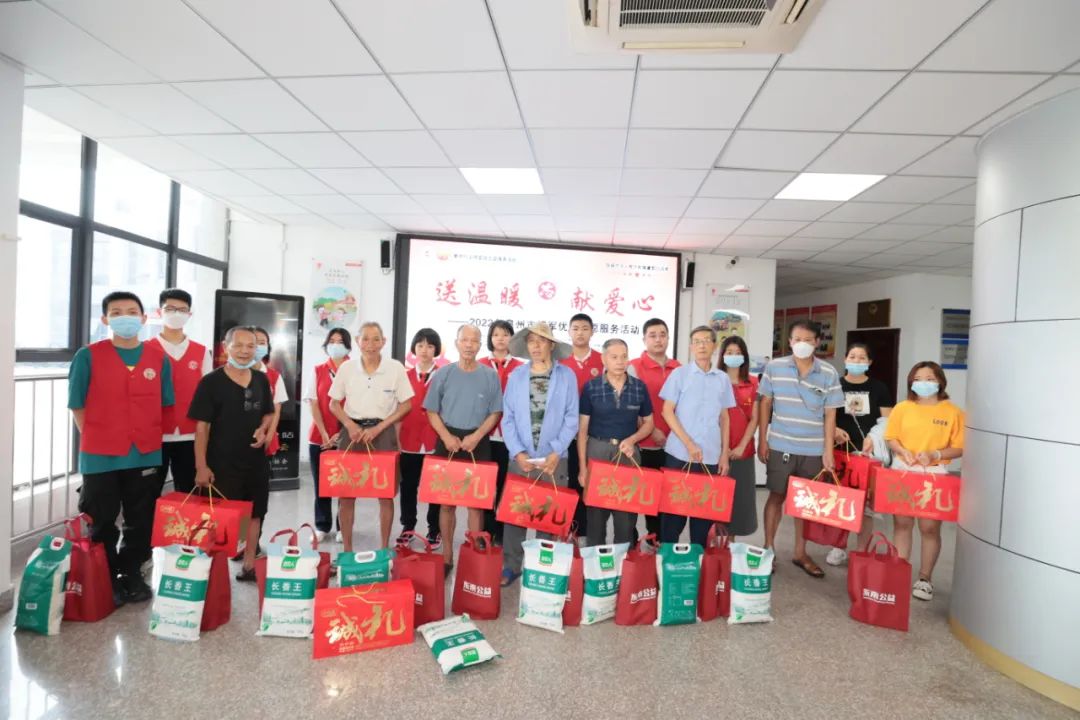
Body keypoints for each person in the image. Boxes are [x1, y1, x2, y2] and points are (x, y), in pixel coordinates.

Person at [69, 291, 174, 604]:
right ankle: (105, 576)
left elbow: (164, 403)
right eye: (116, 312)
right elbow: (77, 404)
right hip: (99, 455)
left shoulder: (157, 358)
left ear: (144, 318)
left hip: (144, 452)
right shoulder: (88, 356)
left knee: (140, 518)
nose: (124, 317)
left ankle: (131, 573)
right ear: (105, 319)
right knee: (101, 519)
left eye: (131, 311)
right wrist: (97, 437)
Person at [758, 321, 845, 578]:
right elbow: (765, 404)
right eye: (797, 339)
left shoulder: (828, 372)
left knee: (805, 503)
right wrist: (762, 440)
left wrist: (827, 451)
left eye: (808, 340)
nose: (802, 344)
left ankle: (800, 552)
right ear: (790, 342)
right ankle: (768, 548)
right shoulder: (774, 368)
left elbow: (830, 415)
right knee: (776, 497)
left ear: (817, 342)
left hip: (813, 450)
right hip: (781, 445)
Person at [189, 326, 275, 581]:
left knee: (255, 512)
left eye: (250, 346)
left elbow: (268, 413)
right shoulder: (211, 382)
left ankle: (249, 564)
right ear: (226, 348)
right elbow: (202, 428)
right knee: (220, 517)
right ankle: (213, 573)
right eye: (238, 345)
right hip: (221, 463)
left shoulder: (261, 379)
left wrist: (263, 429)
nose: (244, 351)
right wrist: (201, 466)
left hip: (255, 461)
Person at [500, 322, 578, 586]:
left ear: (551, 345)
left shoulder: (566, 376)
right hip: (521, 457)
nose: (535, 345)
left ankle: (542, 566)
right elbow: (508, 418)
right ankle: (511, 565)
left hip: (554, 459)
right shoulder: (516, 376)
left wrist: (556, 451)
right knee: (515, 514)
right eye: (531, 340)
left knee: (548, 515)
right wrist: (518, 452)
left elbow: (571, 418)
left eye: (541, 340)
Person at [328, 322, 413, 551]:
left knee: (385, 495)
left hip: (382, 433)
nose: (370, 344)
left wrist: (380, 427)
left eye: (376, 339)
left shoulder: (395, 368)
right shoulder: (347, 368)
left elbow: (407, 404)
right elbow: (333, 403)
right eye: (365, 339)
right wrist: (349, 425)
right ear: (358, 342)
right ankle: (347, 551)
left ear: (383, 342)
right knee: (346, 495)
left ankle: (384, 550)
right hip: (352, 434)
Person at [424, 325, 503, 569]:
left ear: (480, 345)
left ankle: (474, 556)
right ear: (457, 343)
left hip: (477, 442)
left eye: (474, 341)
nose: (469, 345)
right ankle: (447, 555)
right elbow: (431, 410)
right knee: (446, 503)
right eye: (464, 340)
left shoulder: (490, 375)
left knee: (476, 504)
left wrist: (477, 436)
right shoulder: (443, 373)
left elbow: (495, 412)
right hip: (448, 439)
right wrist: (446, 436)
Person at [884, 361, 964, 602]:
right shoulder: (902, 408)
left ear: (940, 381)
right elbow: (891, 437)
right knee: (902, 524)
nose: (924, 383)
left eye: (930, 379)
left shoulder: (953, 412)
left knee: (929, 528)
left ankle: (925, 578)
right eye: (918, 379)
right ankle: (899, 571)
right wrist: (902, 451)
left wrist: (935, 454)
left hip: (934, 475)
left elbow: (959, 447)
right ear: (911, 382)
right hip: (903, 471)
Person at [658, 326, 735, 547]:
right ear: (691, 347)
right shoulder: (679, 374)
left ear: (714, 346)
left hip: (710, 455)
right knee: (674, 513)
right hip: (679, 454)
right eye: (697, 341)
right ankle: (668, 558)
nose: (702, 345)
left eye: (706, 341)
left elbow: (725, 418)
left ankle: (698, 558)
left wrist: (724, 454)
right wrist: (689, 443)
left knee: (703, 514)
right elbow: (666, 411)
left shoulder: (722, 379)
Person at [578, 338, 654, 547]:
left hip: (628, 453)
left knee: (626, 515)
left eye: (624, 357)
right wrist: (583, 469)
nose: (620, 361)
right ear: (603, 359)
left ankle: (623, 558)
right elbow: (582, 430)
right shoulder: (591, 387)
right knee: (595, 514)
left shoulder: (639, 387)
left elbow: (649, 423)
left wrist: (632, 439)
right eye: (614, 357)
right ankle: (595, 560)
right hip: (598, 451)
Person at [825, 342, 894, 567]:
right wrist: (834, 430)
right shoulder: (834, 385)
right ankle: (838, 546)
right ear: (845, 359)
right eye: (852, 357)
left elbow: (888, 421)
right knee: (841, 502)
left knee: (865, 507)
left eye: (862, 357)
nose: (857, 361)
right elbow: (825, 415)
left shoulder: (879, 388)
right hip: (840, 453)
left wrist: (874, 438)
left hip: (867, 455)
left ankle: (861, 551)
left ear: (870, 362)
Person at [150, 288, 212, 497]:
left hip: (191, 435)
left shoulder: (201, 351)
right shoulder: (146, 349)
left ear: (189, 314)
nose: (176, 314)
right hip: (153, 434)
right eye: (170, 309)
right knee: (146, 495)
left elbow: (208, 396)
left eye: (182, 310)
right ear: (159, 312)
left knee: (189, 495)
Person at [628, 318, 680, 541]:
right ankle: (630, 542)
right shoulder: (633, 366)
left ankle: (655, 540)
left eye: (662, 335)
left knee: (663, 498)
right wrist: (651, 429)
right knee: (636, 497)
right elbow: (631, 406)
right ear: (644, 339)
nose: (658, 339)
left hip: (672, 445)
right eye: (653, 335)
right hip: (642, 444)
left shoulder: (679, 368)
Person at [304, 328, 352, 543]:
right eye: (332, 341)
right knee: (321, 484)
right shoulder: (318, 370)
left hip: (347, 437)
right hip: (319, 437)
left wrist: (341, 434)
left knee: (345, 485)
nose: (335, 345)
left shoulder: (355, 370)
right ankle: (322, 525)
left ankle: (343, 525)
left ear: (348, 346)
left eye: (340, 341)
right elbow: (313, 403)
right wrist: (324, 434)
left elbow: (357, 406)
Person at [397, 328, 444, 548]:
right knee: (408, 487)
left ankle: (434, 530)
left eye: (430, 346)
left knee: (435, 488)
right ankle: (407, 527)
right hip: (409, 441)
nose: (424, 350)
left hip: (435, 440)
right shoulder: (404, 376)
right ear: (414, 348)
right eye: (420, 345)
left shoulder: (444, 375)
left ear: (436, 349)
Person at [479, 319, 524, 544]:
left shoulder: (522, 367)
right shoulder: (479, 364)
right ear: (490, 338)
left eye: (505, 334)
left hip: (511, 437)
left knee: (507, 485)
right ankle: (486, 530)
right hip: (484, 434)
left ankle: (503, 532)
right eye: (496, 334)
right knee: (485, 485)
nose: (500, 339)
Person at [560, 313, 603, 536]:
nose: (580, 333)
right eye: (575, 328)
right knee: (569, 481)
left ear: (592, 332)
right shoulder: (560, 361)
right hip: (565, 434)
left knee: (590, 483)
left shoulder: (603, 360)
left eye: (585, 328)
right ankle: (568, 530)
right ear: (568, 331)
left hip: (594, 434)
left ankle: (586, 534)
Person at [719, 335, 759, 538]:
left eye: (738, 352)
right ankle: (714, 546)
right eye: (729, 352)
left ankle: (730, 544)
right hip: (716, 450)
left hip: (743, 451)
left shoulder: (753, 382)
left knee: (738, 500)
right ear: (722, 355)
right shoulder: (715, 379)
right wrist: (722, 450)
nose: (733, 356)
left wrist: (742, 446)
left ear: (744, 356)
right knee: (716, 499)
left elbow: (755, 418)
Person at [252, 326, 287, 460]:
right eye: (254, 341)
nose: (257, 346)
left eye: (262, 343)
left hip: (265, 435)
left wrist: (269, 436)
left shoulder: (274, 376)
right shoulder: (233, 373)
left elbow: (276, 411)